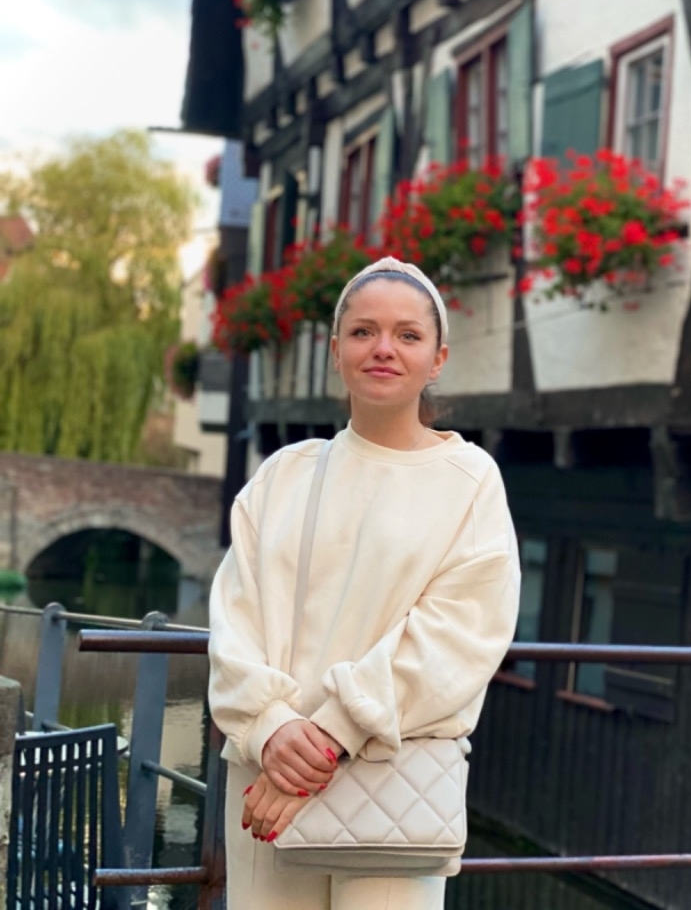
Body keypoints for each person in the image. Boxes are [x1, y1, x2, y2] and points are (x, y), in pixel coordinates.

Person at [208, 256, 521, 910]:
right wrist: (269, 726)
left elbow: (459, 636)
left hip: (386, 784)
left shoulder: (469, 481)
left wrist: (326, 737)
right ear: (335, 350)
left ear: (437, 359)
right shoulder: (283, 476)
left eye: (408, 335)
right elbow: (234, 621)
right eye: (363, 332)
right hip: (269, 775)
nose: (383, 348)